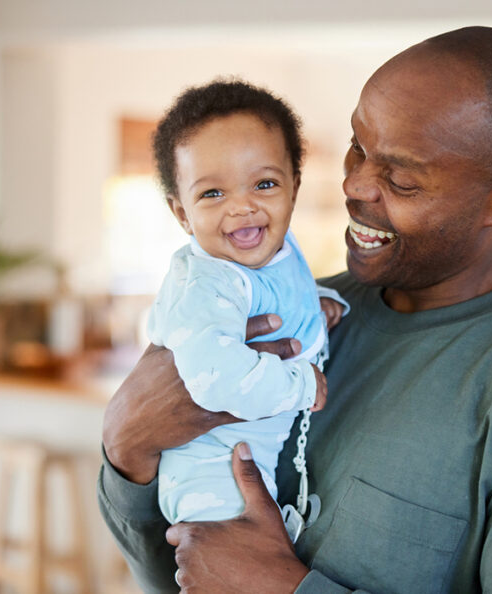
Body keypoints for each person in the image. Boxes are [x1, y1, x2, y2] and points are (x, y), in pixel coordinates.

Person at [99, 26, 492, 593]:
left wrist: (289, 590)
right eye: (357, 147)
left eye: (402, 178)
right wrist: (125, 447)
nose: (355, 184)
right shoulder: (301, 315)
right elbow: (181, 569)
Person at [143, 80, 346, 530]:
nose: (243, 207)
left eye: (265, 183)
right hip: (211, 471)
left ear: (294, 185)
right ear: (182, 214)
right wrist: (302, 386)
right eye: (212, 194)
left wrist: (316, 305)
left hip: (249, 454)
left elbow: (278, 290)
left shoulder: (270, 251)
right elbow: (216, 380)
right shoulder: (208, 282)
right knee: (232, 559)